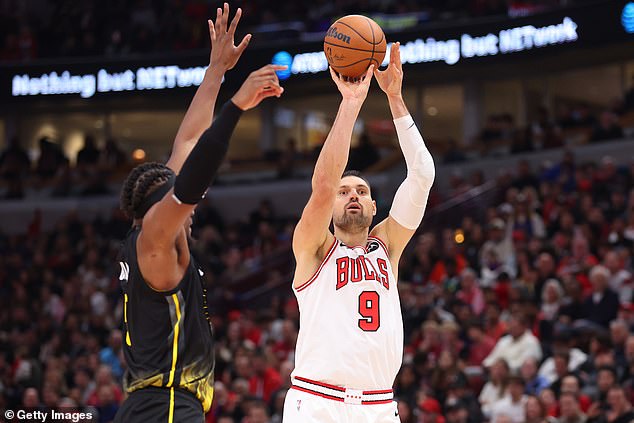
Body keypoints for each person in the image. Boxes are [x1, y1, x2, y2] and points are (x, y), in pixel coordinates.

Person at [113, 5, 285, 422]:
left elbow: (188, 141)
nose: (192, 206)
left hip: (160, 404)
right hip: (164, 407)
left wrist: (215, 71)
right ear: (159, 206)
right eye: (178, 199)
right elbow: (191, 179)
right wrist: (236, 108)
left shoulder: (152, 232)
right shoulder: (153, 239)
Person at [282, 42, 435, 422]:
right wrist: (350, 104)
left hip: (379, 405)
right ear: (330, 208)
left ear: (373, 208)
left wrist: (395, 99)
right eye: (344, 191)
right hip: (318, 402)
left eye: (362, 191)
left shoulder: (388, 245)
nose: (352, 195)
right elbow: (322, 185)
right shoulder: (313, 247)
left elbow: (422, 174)